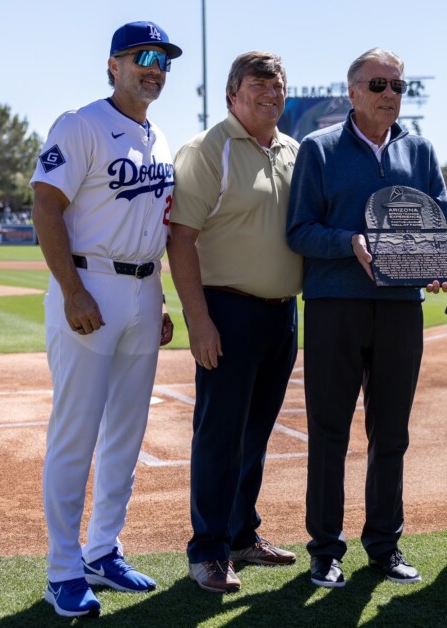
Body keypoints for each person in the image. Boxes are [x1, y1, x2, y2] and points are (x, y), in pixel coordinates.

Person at [29, 21, 180, 617]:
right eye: (143, 56)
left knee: (127, 434)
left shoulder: (159, 138)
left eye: (163, 60)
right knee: (76, 434)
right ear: (112, 65)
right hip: (89, 286)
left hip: (142, 293)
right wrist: (71, 290)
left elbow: (154, 229)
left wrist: (161, 298)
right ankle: (63, 569)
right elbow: (45, 203)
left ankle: (102, 550)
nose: (154, 67)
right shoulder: (81, 123)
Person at [286, 48, 447, 588]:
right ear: (352, 91)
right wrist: (347, 242)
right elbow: (299, 230)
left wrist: (435, 260)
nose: (389, 95)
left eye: (398, 86)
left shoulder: (421, 151)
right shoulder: (319, 148)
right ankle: (325, 549)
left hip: (400, 308)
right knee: (329, 432)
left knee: (393, 434)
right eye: (378, 85)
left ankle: (384, 545)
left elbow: (440, 223)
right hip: (336, 306)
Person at [168, 51, 300, 594]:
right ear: (232, 95)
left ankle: (243, 534)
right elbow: (180, 237)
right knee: (219, 435)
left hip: (282, 316)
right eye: (257, 88)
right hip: (227, 310)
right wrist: (198, 320)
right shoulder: (207, 150)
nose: (270, 95)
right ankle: (208, 551)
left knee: (256, 434)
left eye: (277, 88)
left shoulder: (295, 151)